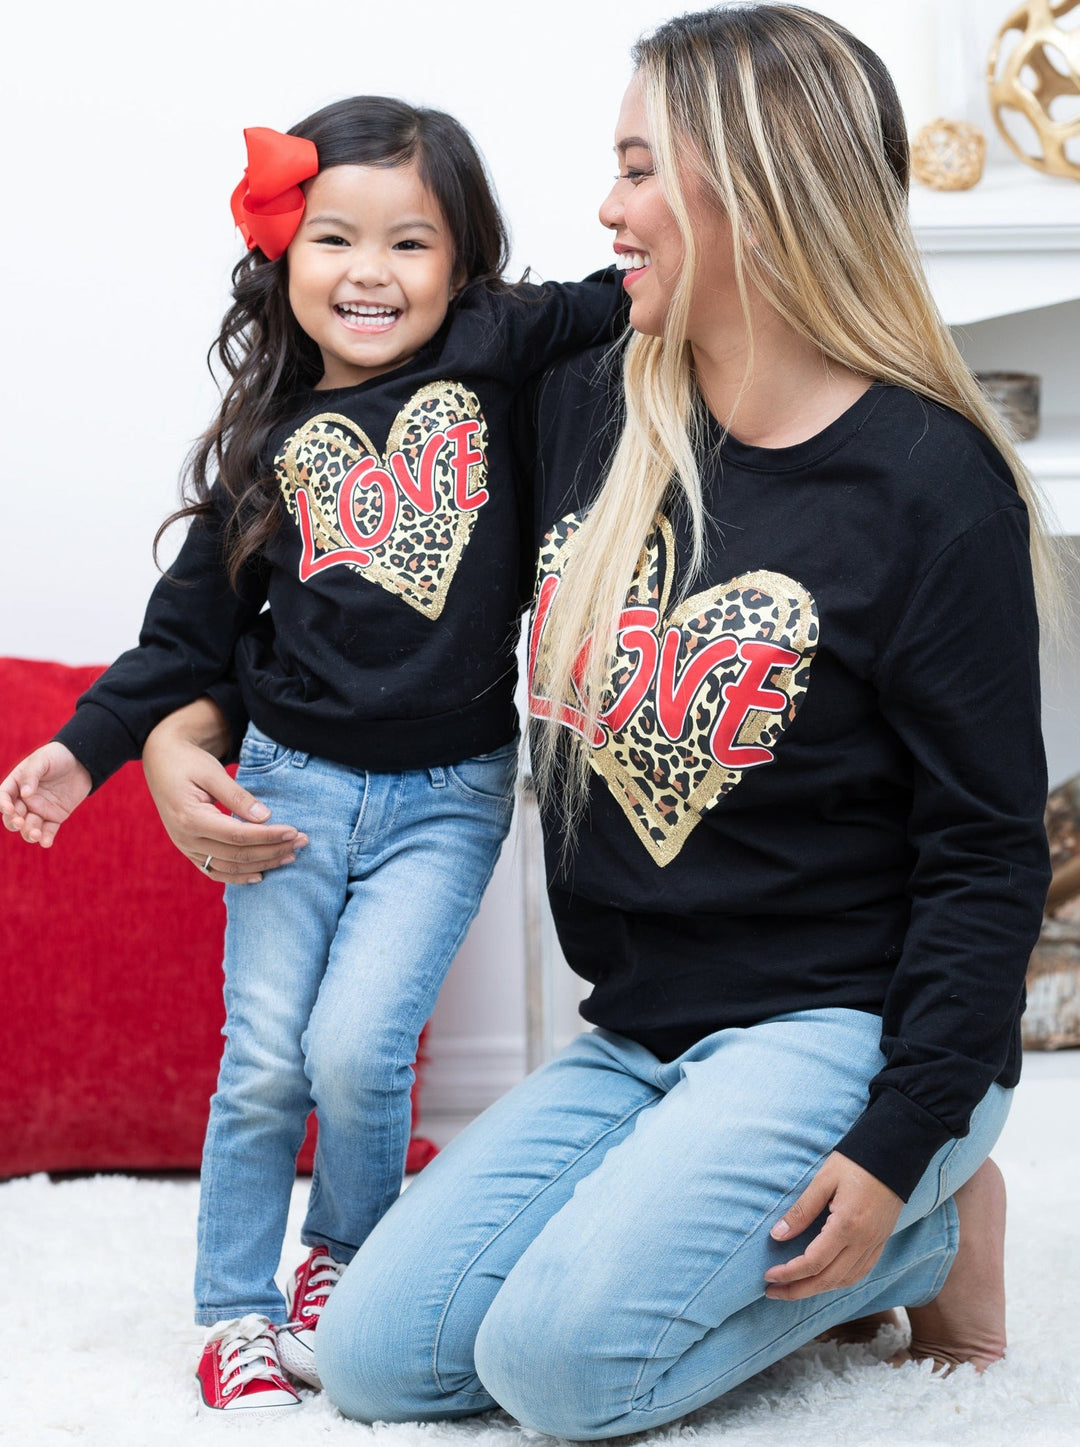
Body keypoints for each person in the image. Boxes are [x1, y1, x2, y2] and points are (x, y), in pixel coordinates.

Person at [120, 3, 1054, 1434]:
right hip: (641, 1034)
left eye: (637, 169)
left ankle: (935, 1224)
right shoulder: (578, 399)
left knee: (559, 1369)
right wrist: (176, 731)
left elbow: (987, 854)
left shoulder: (931, 488)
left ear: (755, 192)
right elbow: (319, 557)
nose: (606, 210)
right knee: (375, 1357)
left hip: (844, 1023)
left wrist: (901, 1134)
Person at [0, 97, 622, 1417]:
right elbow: (182, 638)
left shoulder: (495, 353)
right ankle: (234, 1308)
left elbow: (618, 297)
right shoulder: (264, 446)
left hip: (448, 802)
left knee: (357, 1049)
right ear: (283, 256)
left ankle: (342, 1263)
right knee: (267, 1062)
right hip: (286, 790)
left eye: (411, 241)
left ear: (463, 264)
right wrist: (85, 750)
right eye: (336, 236)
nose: (370, 271)